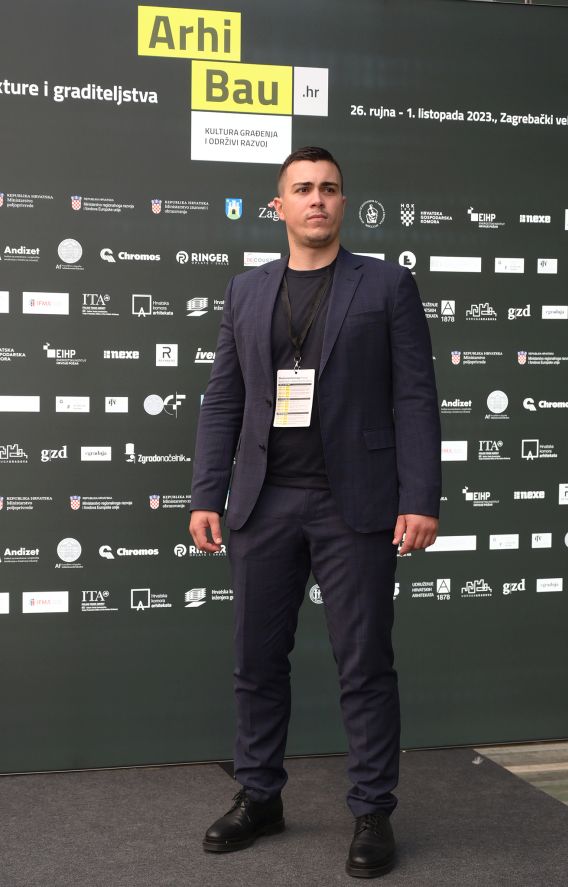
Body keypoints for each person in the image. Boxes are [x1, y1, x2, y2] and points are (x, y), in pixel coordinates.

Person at [189, 146, 441, 879]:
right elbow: (224, 399)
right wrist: (207, 492)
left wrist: (419, 497)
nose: (317, 199)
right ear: (280, 206)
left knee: (365, 664)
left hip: (354, 503)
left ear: (343, 202)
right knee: (256, 661)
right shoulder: (245, 291)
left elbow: (415, 396)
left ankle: (372, 809)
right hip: (262, 502)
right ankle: (259, 795)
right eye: (302, 188)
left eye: (329, 188)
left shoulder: (387, 284)